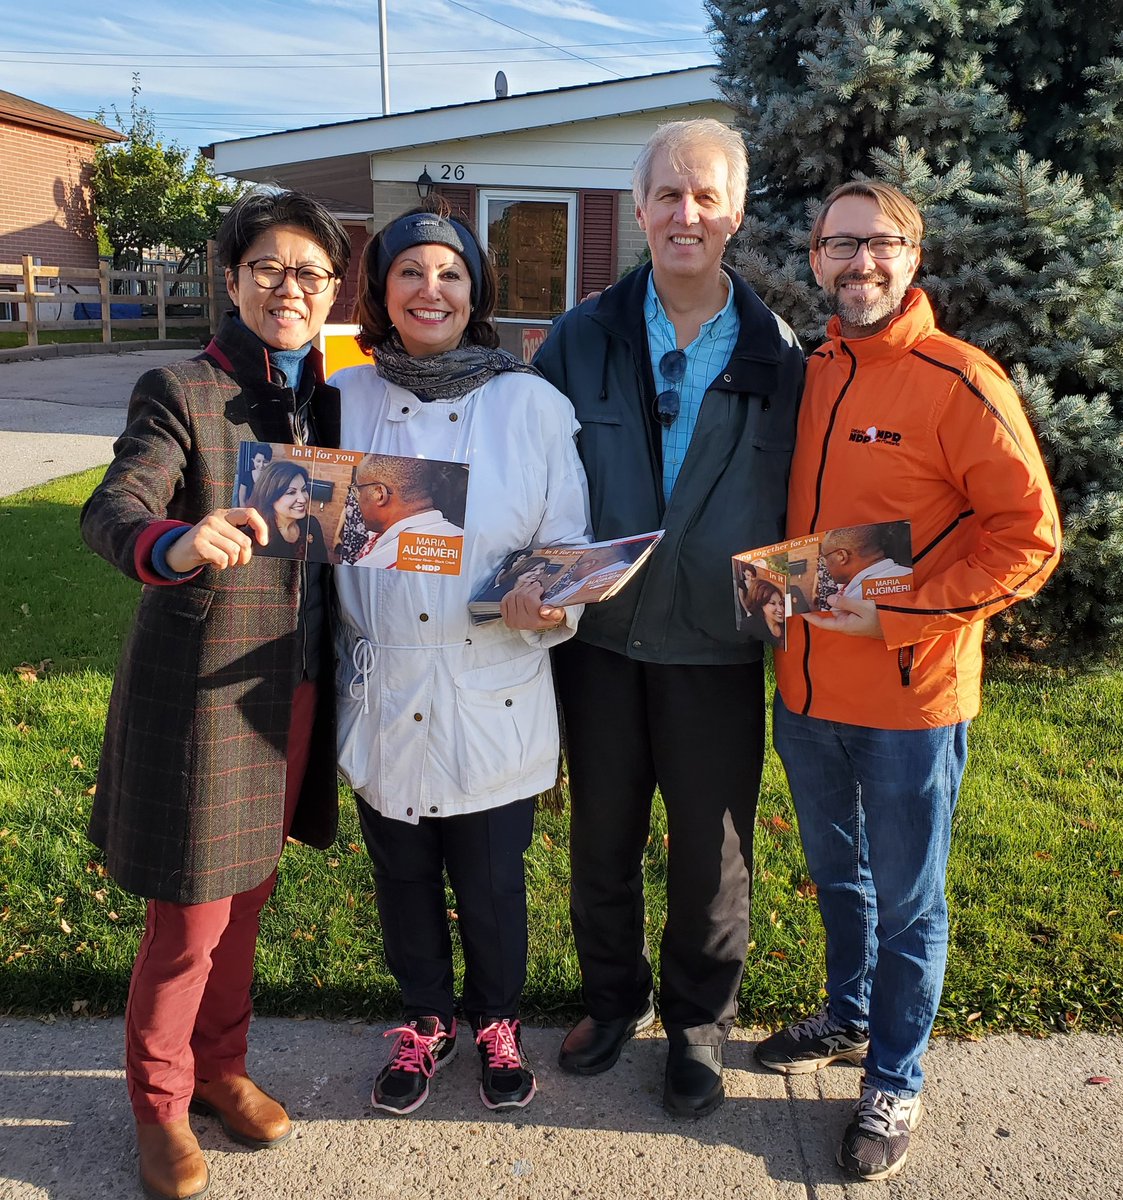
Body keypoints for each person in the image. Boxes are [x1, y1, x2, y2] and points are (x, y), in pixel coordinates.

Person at [756, 181, 1060, 1181]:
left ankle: (894, 1074)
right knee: (839, 881)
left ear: (911, 255)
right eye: (837, 246)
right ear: (813, 260)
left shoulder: (957, 378)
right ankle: (848, 1015)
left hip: (908, 704)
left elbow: (1029, 538)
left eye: (877, 244)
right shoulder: (812, 373)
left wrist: (907, 610)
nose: (858, 264)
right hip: (803, 694)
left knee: (909, 899)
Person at [80, 189, 350, 1200]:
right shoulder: (181, 389)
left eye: (311, 275)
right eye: (270, 269)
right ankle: (158, 1106)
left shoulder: (327, 398)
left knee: (247, 905)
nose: (291, 288)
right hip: (199, 698)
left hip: (291, 693)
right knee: (189, 921)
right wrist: (174, 542)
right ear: (233, 281)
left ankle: (219, 1070)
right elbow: (117, 505)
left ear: (331, 294)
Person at [534, 118, 803, 1118]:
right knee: (600, 836)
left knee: (711, 851)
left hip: (714, 651)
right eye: (666, 195)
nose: (684, 214)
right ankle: (612, 1002)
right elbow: (529, 478)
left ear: (733, 213)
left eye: (705, 196)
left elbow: (808, 504)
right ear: (639, 208)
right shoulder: (582, 336)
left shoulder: (781, 360)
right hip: (598, 643)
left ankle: (696, 1024)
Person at [331, 206, 589, 1116]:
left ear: (474, 291)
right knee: (400, 874)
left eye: (449, 272)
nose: (429, 289)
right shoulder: (347, 397)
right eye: (409, 273)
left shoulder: (531, 403)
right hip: (385, 678)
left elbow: (567, 539)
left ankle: (495, 1020)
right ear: (382, 292)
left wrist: (546, 595)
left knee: (489, 881)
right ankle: (425, 1020)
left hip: (491, 679)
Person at [350, 453, 464, 566]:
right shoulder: (470, 547)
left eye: (358, 491)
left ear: (379, 494)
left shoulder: (374, 564)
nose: (357, 500)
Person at [249, 460, 328, 561]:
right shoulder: (257, 536)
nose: (303, 499)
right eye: (291, 492)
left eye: (303, 490)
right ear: (270, 497)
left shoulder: (311, 524)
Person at [819, 524, 911, 601]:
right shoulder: (910, 575)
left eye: (824, 559)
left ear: (841, 556)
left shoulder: (855, 602)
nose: (825, 565)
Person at [738, 573, 785, 644]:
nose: (780, 609)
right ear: (760, 605)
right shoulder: (749, 627)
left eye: (781, 603)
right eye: (772, 603)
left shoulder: (786, 624)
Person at [235, 442, 271, 507]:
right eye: (258, 461)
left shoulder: (272, 478)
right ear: (253, 460)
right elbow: (242, 499)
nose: (261, 465)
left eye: (265, 462)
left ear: (270, 462)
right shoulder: (247, 475)